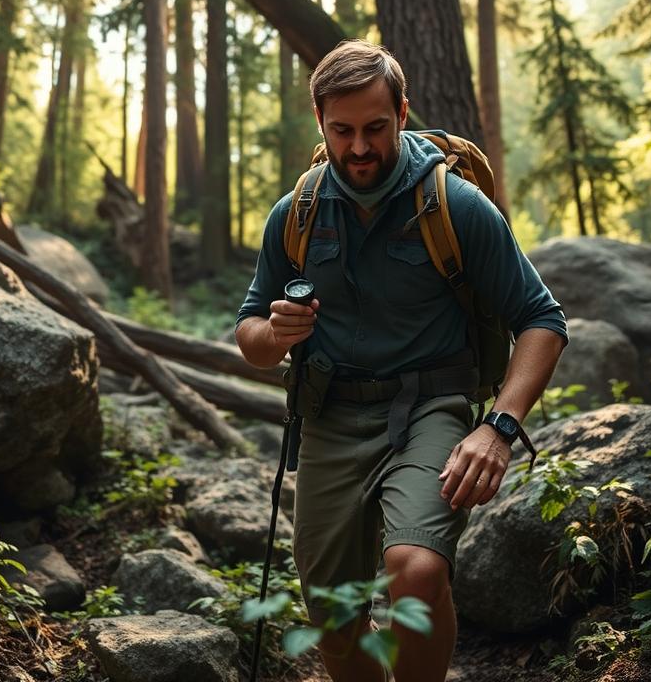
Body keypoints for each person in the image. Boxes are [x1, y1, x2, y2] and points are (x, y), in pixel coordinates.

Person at [235, 40, 568, 682]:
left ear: (403, 113)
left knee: (415, 572)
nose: (359, 148)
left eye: (375, 128)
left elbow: (542, 320)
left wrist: (498, 427)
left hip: (429, 410)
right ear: (321, 124)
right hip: (330, 417)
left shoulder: (457, 208)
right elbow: (249, 336)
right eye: (344, 131)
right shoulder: (297, 213)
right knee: (332, 611)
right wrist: (274, 334)